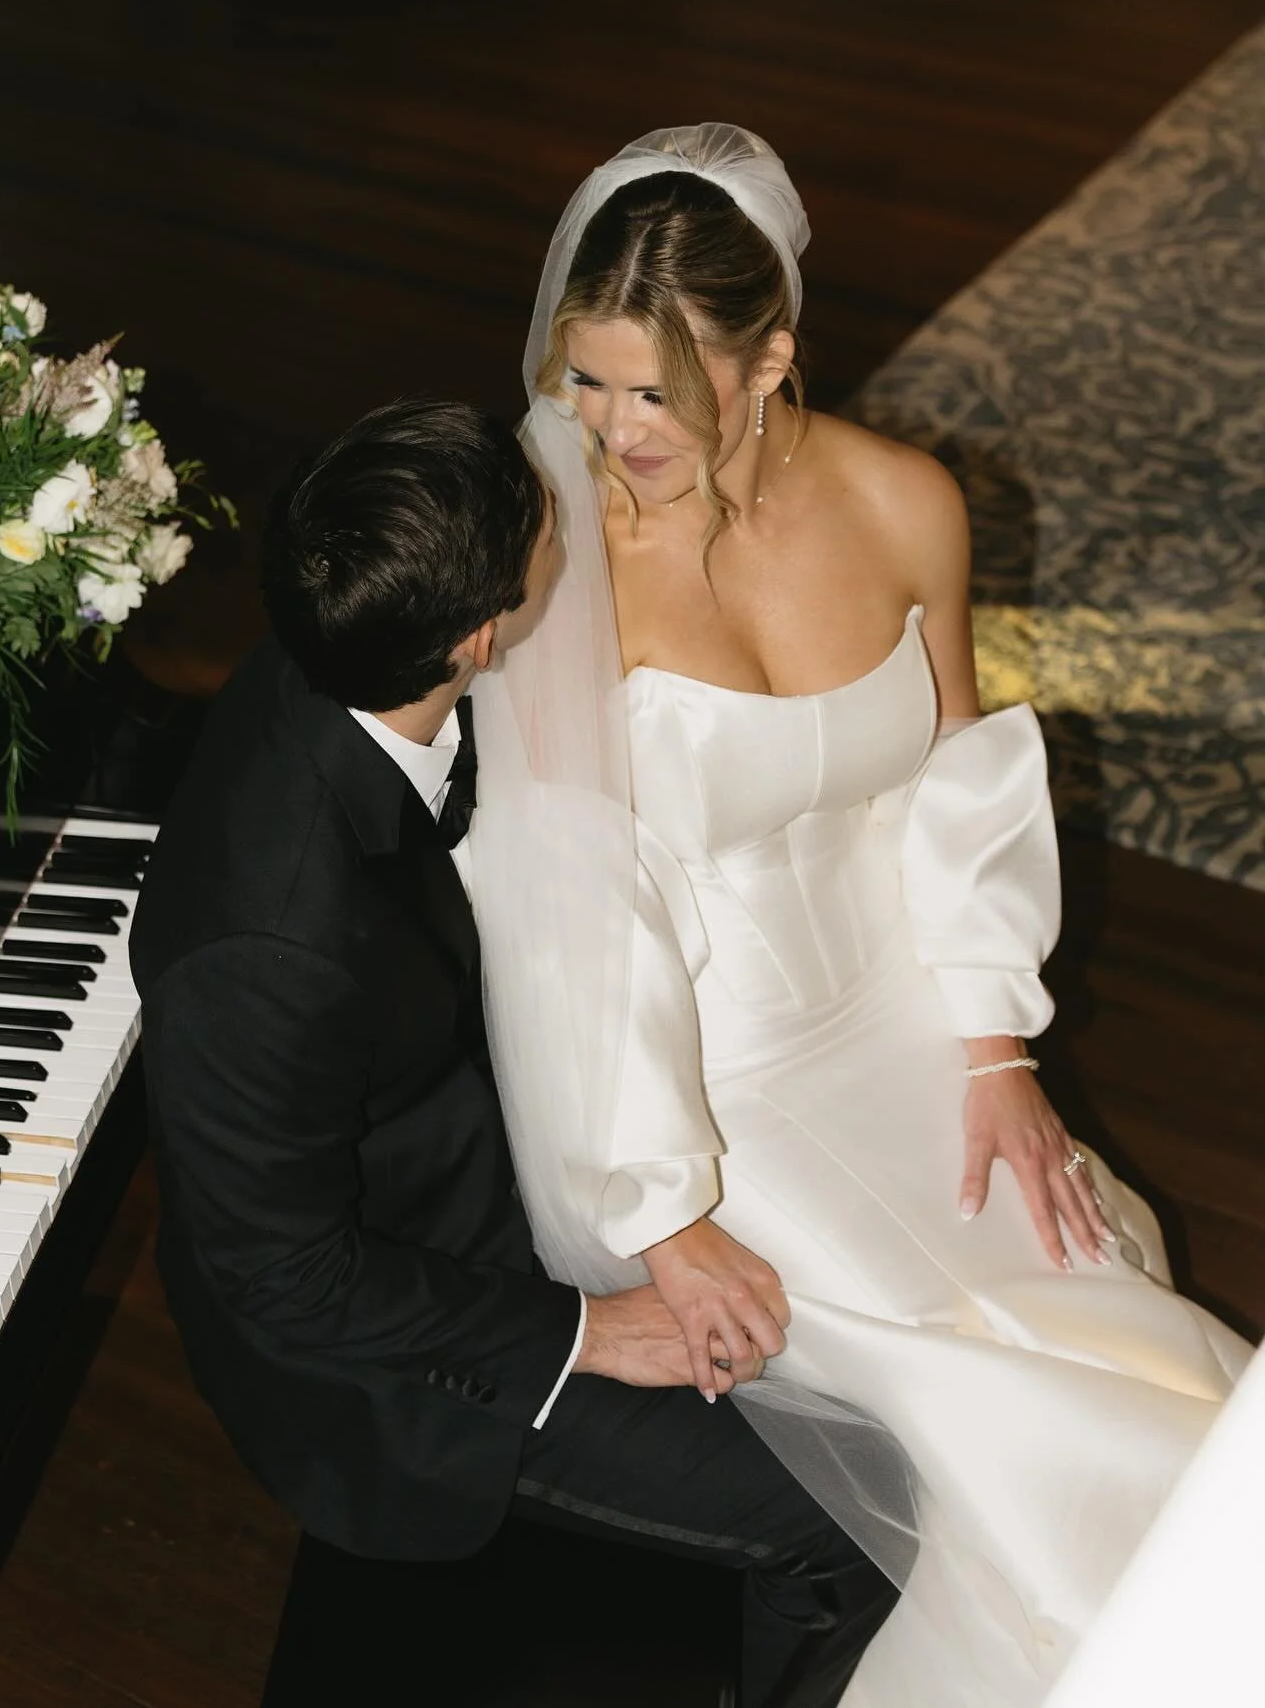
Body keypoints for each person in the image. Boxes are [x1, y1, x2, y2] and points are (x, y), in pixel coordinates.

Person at [467, 126, 1254, 1708]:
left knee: (1120, 1331)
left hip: (910, 1018)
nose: (615, 433)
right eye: (591, 383)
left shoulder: (905, 502)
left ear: (770, 360)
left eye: (658, 393)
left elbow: (958, 786)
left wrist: (993, 1053)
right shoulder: (557, 576)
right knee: (1003, 1411)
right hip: (701, 1091)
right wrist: (670, 1220)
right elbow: (566, 932)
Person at [128, 396, 901, 1708]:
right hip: (410, 1351)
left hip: (495, 1144)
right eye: (550, 534)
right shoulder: (264, 948)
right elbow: (284, 1277)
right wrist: (588, 1332)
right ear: (482, 633)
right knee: (851, 1510)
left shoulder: (348, 643)